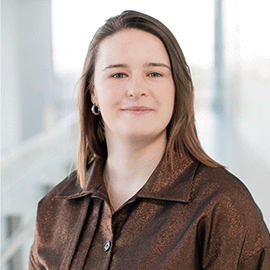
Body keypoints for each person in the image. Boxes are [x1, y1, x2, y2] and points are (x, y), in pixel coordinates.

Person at [29, 10, 270, 269]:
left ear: (177, 88)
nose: (136, 89)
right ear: (94, 93)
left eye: (154, 74)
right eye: (118, 74)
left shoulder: (223, 205)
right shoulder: (55, 208)